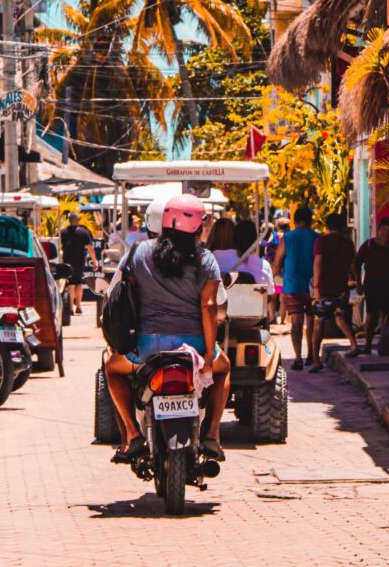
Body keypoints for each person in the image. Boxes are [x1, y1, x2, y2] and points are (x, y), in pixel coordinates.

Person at [104, 194, 231, 463]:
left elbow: (119, 293)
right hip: (193, 345)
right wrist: (208, 354)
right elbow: (209, 306)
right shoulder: (206, 259)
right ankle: (212, 434)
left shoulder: (138, 252)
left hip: (147, 347)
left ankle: (132, 433)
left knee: (112, 369)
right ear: (199, 224)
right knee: (224, 369)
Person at [273, 206, 318, 370]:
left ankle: (298, 357)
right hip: (314, 285)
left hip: (293, 284)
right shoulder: (317, 237)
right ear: (310, 220)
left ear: (295, 221)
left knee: (297, 322)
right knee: (312, 320)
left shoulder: (287, 237)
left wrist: (270, 278)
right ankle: (312, 354)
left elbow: (277, 263)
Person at [311, 212, 358, 368]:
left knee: (319, 323)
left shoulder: (321, 242)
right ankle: (353, 344)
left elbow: (318, 263)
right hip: (341, 288)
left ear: (327, 226)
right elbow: (353, 265)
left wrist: (316, 287)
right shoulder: (347, 243)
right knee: (340, 318)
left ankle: (316, 360)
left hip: (324, 288)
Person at [355, 216, 389, 355]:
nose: (387, 233)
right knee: (371, 315)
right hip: (373, 285)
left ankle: (384, 345)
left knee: (387, 316)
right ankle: (367, 345)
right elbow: (356, 264)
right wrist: (358, 284)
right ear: (378, 230)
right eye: (384, 229)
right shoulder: (368, 245)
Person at [212, 219, 275, 292]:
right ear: (255, 240)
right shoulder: (264, 266)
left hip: (223, 302)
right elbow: (269, 295)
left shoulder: (217, 256)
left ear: (233, 237)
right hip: (255, 302)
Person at [61, 211, 99, 315]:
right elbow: (90, 248)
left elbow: (60, 248)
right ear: (78, 220)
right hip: (79, 261)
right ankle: (78, 306)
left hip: (67, 261)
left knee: (70, 284)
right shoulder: (83, 232)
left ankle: (70, 309)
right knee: (78, 283)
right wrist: (95, 261)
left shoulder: (63, 232)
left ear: (69, 221)